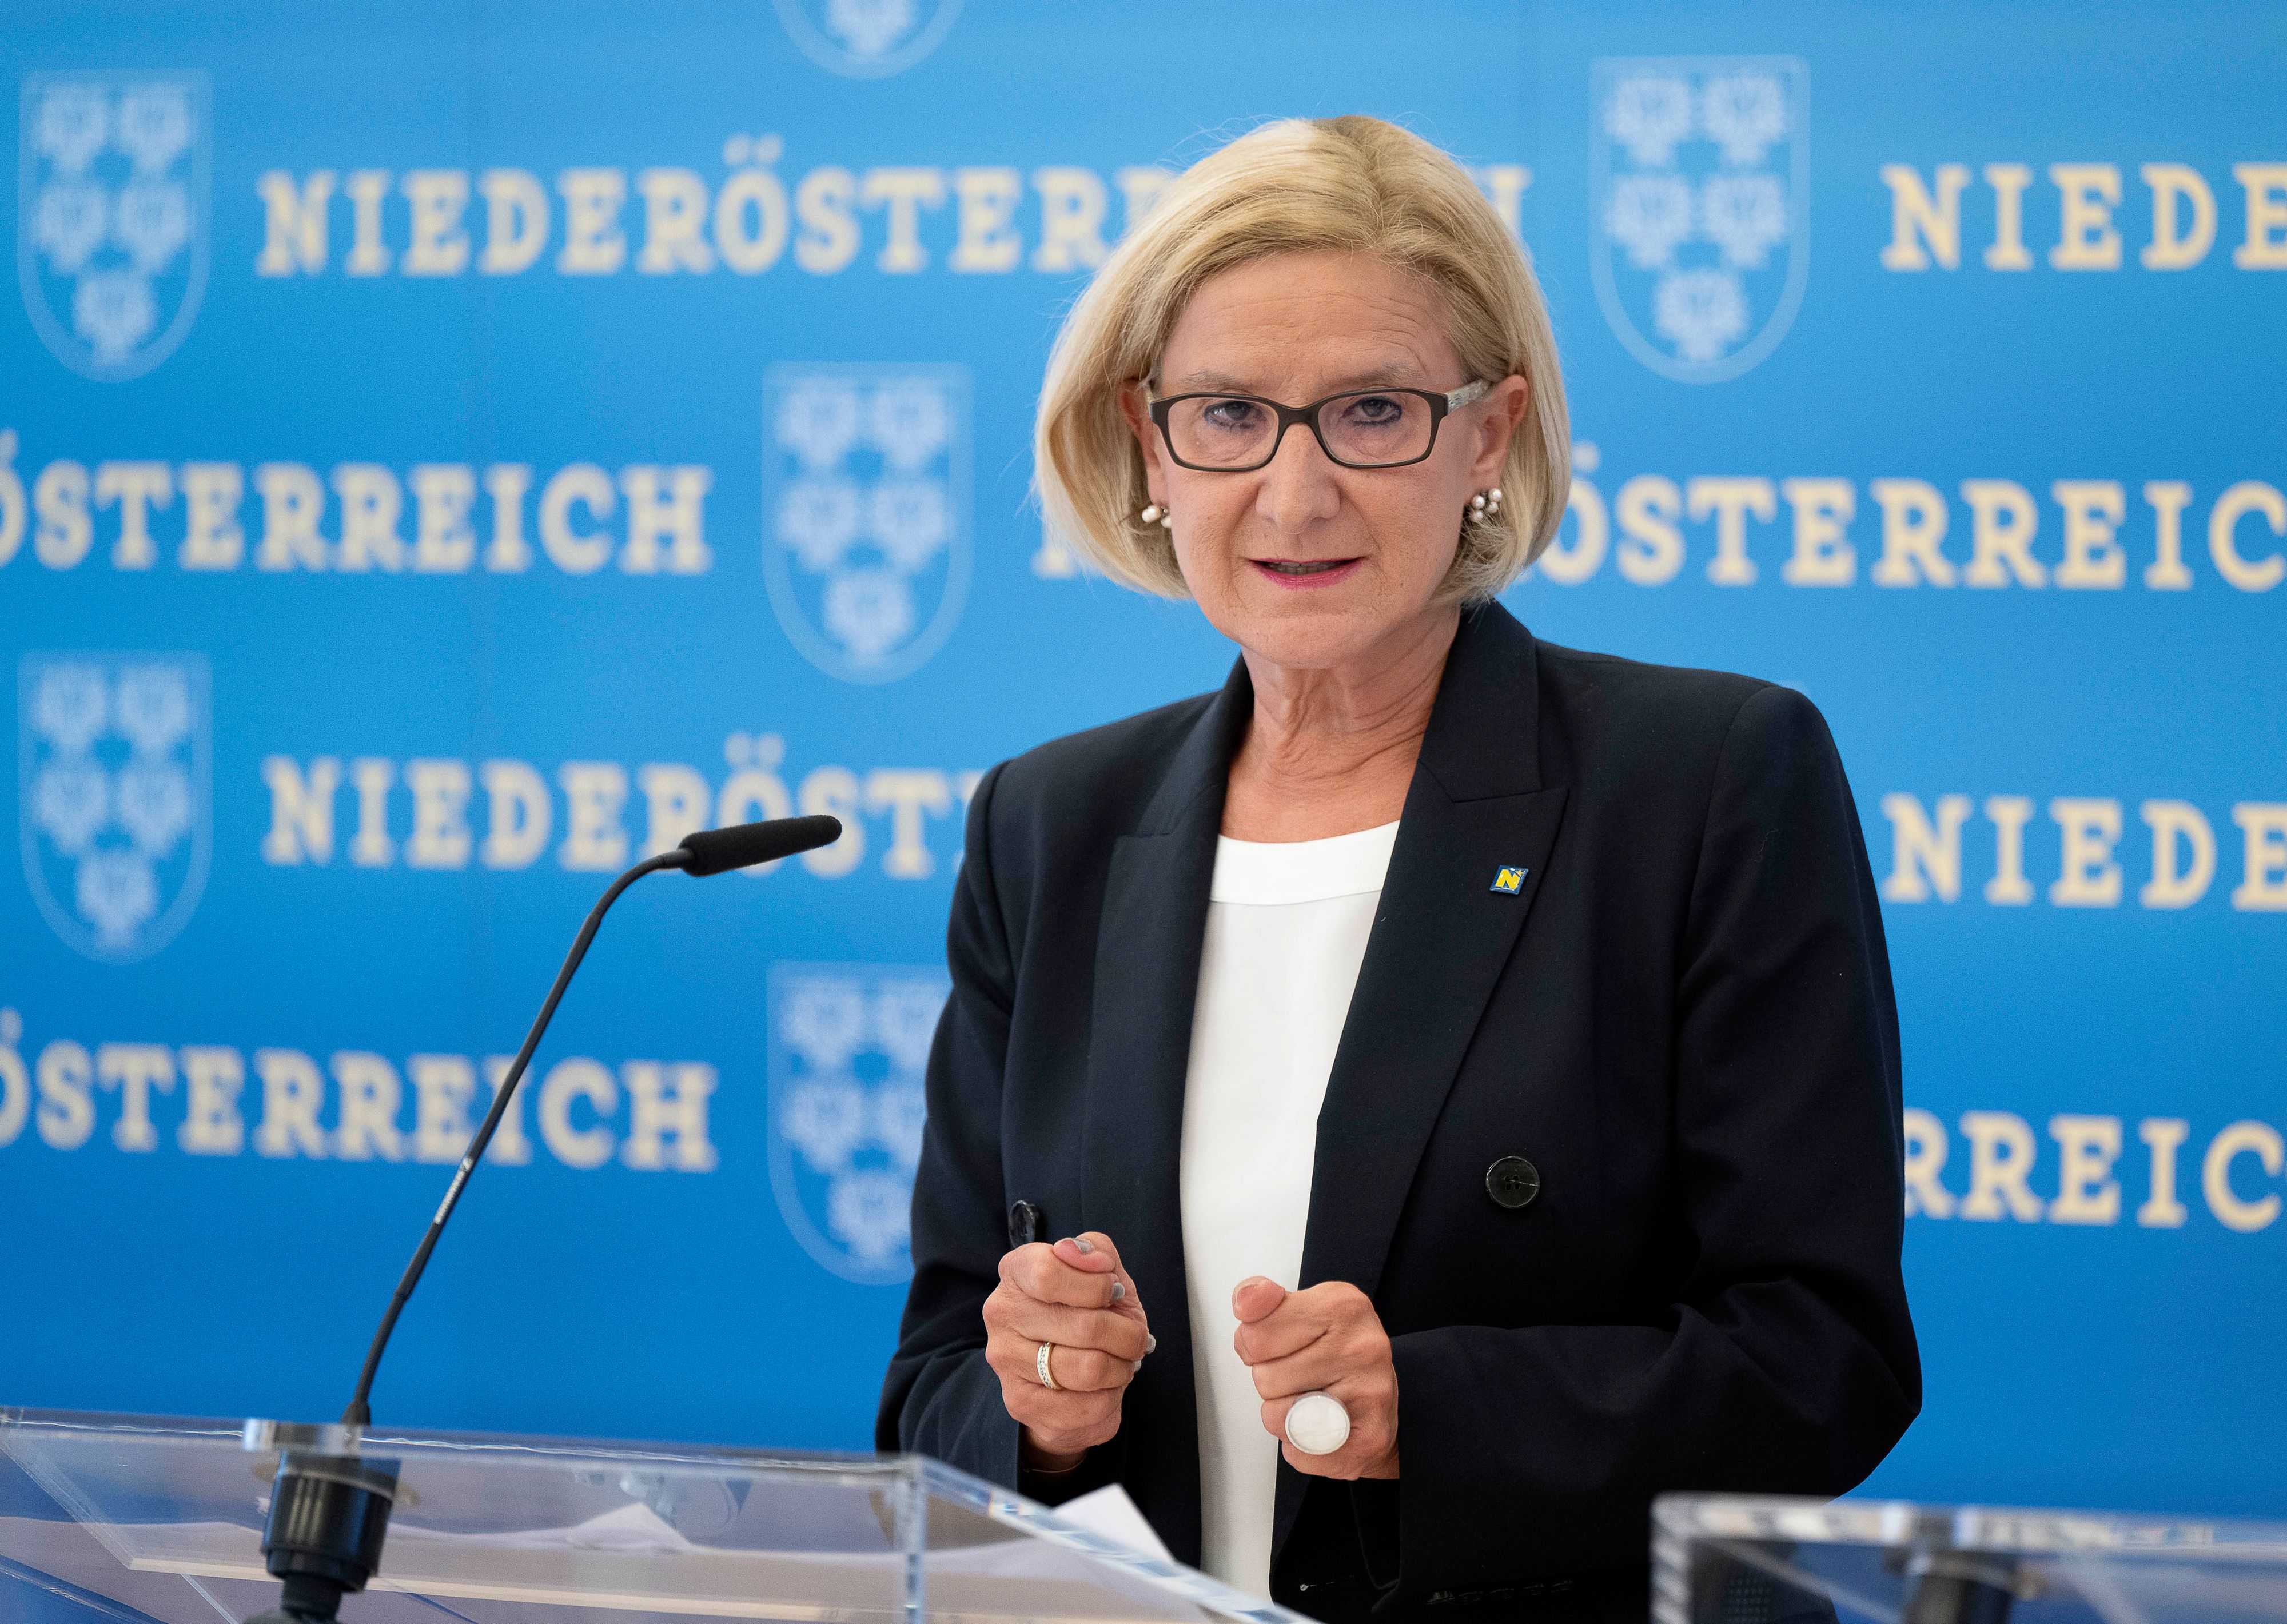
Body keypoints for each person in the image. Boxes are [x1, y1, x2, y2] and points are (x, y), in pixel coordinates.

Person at [878, 114, 1918, 1623]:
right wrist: (1040, 1403)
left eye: (1372, 412)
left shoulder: (1704, 782)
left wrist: (1436, 1409)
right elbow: (927, 1391)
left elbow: (1824, 1358)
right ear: (1147, 440)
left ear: (1488, 436)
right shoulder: (1053, 822)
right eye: (1228, 415)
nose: (1294, 496)